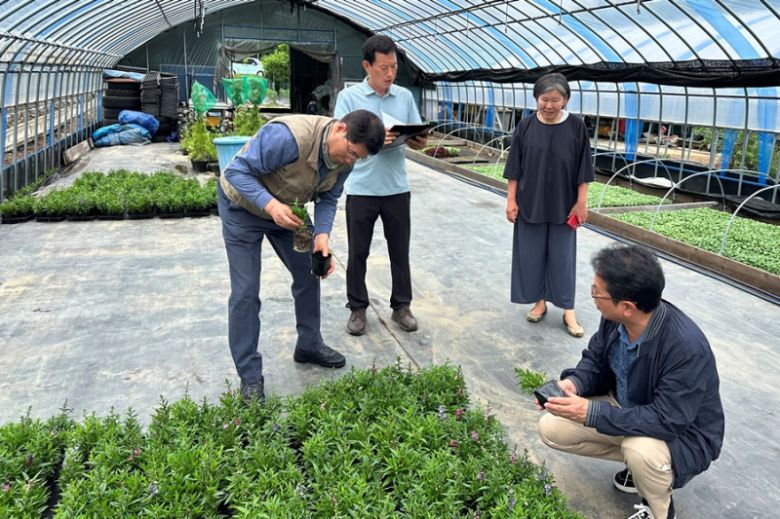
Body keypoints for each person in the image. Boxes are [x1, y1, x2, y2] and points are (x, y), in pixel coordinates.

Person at [537, 244, 724, 519]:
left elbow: (667, 419)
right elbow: (594, 360)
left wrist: (591, 412)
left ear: (627, 307)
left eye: (596, 292)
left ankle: (658, 507)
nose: (593, 297)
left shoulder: (685, 348)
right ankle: (638, 470)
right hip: (627, 407)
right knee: (552, 427)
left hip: (682, 435)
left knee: (640, 450)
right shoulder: (614, 321)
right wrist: (574, 384)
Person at [218, 110, 385, 402]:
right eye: (349, 152)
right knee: (245, 292)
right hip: (242, 208)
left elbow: (329, 197)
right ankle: (250, 377)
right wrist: (271, 206)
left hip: (288, 212)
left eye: (357, 159)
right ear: (340, 129)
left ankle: (308, 344)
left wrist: (322, 236)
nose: (350, 161)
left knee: (311, 270)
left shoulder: (344, 160)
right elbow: (235, 171)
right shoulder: (288, 137)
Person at [334, 35, 428, 337]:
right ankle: (358, 308)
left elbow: (417, 138)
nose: (390, 73)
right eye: (383, 67)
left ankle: (402, 305)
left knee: (399, 251)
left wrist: (417, 138)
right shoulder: (349, 97)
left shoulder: (403, 97)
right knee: (357, 252)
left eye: (394, 66)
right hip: (361, 186)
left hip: (396, 187)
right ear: (367, 66)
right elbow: (339, 142)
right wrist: (374, 140)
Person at [503, 72, 594, 337]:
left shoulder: (576, 127)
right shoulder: (526, 126)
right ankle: (539, 302)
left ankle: (567, 309)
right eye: (544, 99)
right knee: (530, 255)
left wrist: (581, 203)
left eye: (555, 100)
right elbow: (515, 167)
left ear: (565, 100)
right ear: (536, 99)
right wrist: (511, 200)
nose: (549, 105)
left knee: (562, 258)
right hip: (530, 202)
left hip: (564, 205)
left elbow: (583, 168)